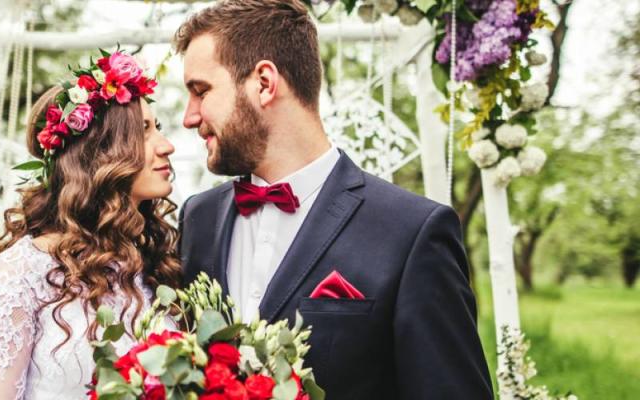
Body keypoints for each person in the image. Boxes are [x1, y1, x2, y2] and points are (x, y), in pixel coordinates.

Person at [174, 1, 494, 398]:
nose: (189, 116)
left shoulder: (412, 233)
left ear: (264, 83)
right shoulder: (197, 219)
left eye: (200, 91)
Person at [0, 51, 179, 399]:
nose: (167, 146)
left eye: (158, 129)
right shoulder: (24, 271)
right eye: (144, 131)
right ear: (102, 153)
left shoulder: (157, 262)